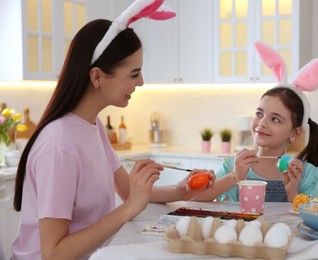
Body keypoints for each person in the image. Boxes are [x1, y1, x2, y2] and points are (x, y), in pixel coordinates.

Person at [11, 1, 215, 259]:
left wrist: (180, 190)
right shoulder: (59, 145)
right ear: (97, 77)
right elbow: (54, 254)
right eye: (134, 74)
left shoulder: (92, 126)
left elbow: (128, 191)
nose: (141, 82)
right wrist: (128, 209)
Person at [193, 41, 318, 203]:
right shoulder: (233, 165)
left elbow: (316, 216)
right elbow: (195, 199)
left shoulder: (305, 174)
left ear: (295, 132)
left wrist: (292, 191)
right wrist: (235, 176)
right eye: (259, 113)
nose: (262, 123)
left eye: (275, 119)